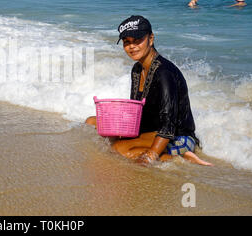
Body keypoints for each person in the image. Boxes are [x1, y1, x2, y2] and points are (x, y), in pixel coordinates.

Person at [85, 16, 213, 166]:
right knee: (92, 122)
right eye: (127, 42)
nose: (132, 46)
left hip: (176, 137)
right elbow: (138, 110)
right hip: (150, 131)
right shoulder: (137, 69)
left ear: (150, 39)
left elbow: (168, 124)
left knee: (118, 149)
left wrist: (151, 156)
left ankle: (180, 158)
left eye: (137, 40)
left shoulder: (164, 73)